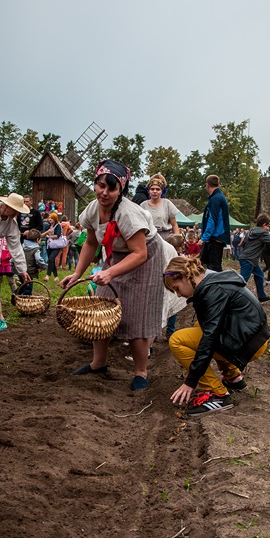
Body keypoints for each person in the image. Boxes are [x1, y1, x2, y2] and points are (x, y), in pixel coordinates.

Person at [61, 159, 166, 391]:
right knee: (102, 308)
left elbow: (139, 253)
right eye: (101, 186)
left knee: (137, 314)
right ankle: (98, 363)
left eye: (111, 188)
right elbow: (90, 243)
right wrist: (77, 273)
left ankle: (141, 372)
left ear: (121, 190)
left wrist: (109, 272)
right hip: (116, 256)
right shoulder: (92, 209)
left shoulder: (128, 214)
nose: (104, 193)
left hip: (146, 259)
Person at [163, 256, 270, 417]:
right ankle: (233, 377)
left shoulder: (212, 292)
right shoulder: (213, 281)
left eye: (177, 288)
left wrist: (191, 381)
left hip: (247, 344)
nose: (178, 295)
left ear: (185, 277)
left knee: (177, 340)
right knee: (199, 326)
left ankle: (217, 394)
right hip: (252, 339)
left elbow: (210, 338)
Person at [239, 213, 270, 302]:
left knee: (259, 275)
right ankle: (232, 298)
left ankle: (261, 296)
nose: (269, 228)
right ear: (264, 224)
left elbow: (243, 244)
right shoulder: (263, 233)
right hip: (249, 260)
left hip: (248, 258)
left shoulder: (251, 231)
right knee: (242, 281)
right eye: (268, 225)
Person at [199, 175, 230, 272]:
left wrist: (204, 238)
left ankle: (218, 282)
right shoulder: (218, 197)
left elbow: (212, 219)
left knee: (215, 268)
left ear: (207, 185)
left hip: (216, 237)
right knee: (204, 262)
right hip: (213, 238)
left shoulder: (216, 199)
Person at [140, 174, 179, 240]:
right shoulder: (143, 205)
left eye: (158, 189)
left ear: (162, 191)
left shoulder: (167, 204)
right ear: (149, 191)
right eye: (152, 189)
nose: (155, 191)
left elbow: (174, 224)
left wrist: (177, 239)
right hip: (148, 238)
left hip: (165, 238)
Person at [42, 212, 65, 283]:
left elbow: (57, 236)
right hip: (49, 245)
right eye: (49, 218)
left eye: (51, 218)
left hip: (56, 246)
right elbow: (43, 234)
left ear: (54, 219)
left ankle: (47, 275)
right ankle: (56, 276)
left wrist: (49, 236)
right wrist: (47, 233)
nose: (50, 219)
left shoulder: (58, 226)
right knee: (51, 260)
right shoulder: (48, 226)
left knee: (51, 259)